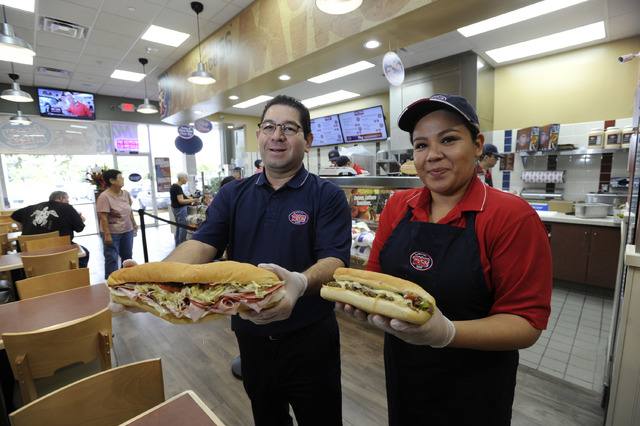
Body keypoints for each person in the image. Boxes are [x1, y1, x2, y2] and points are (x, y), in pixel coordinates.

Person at [336, 94, 552, 425]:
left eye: (448, 140)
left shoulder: (511, 217)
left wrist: (446, 333)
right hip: (404, 373)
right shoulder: (398, 206)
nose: (433, 155)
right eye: (421, 145)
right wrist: (364, 303)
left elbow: (525, 323)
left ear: (478, 144)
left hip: (476, 388)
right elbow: (376, 277)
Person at [159, 95, 351, 425]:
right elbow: (204, 242)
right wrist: (156, 277)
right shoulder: (233, 194)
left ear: (307, 141)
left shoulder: (327, 195)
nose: (277, 135)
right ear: (260, 134)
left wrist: (300, 282)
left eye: (289, 128)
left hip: (310, 339)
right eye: (269, 126)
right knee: (267, 418)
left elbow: (335, 260)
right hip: (251, 338)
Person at [11, 191, 90, 268]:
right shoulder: (66, 206)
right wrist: (81, 220)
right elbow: (79, 228)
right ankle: (76, 278)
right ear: (61, 198)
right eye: (68, 198)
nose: (68, 201)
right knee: (84, 253)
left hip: (30, 251)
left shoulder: (32, 207)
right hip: (57, 249)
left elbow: (14, 215)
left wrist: (22, 228)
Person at [97, 169, 138, 279]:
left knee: (127, 257)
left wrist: (134, 224)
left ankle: (126, 280)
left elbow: (129, 210)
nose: (123, 179)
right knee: (112, 258)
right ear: (112, 181)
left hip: (127, 231)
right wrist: (107, 235)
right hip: (112, 233)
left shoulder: (125, 194)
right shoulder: (104, 197)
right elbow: (103, 217)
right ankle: (112, 282)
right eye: (120, 178)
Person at [170, 172, 200, 246]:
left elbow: (184, 195)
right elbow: (181, 201)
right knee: (183, 227)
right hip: (180, 209)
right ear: (181, 178)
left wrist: (192, 198)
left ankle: (178, 244)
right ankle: (181, 245)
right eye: (186, 178)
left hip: (175, 208)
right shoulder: (177, 187)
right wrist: (193, 200)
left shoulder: (175, 186)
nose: (186, 180)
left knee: (178, 226)